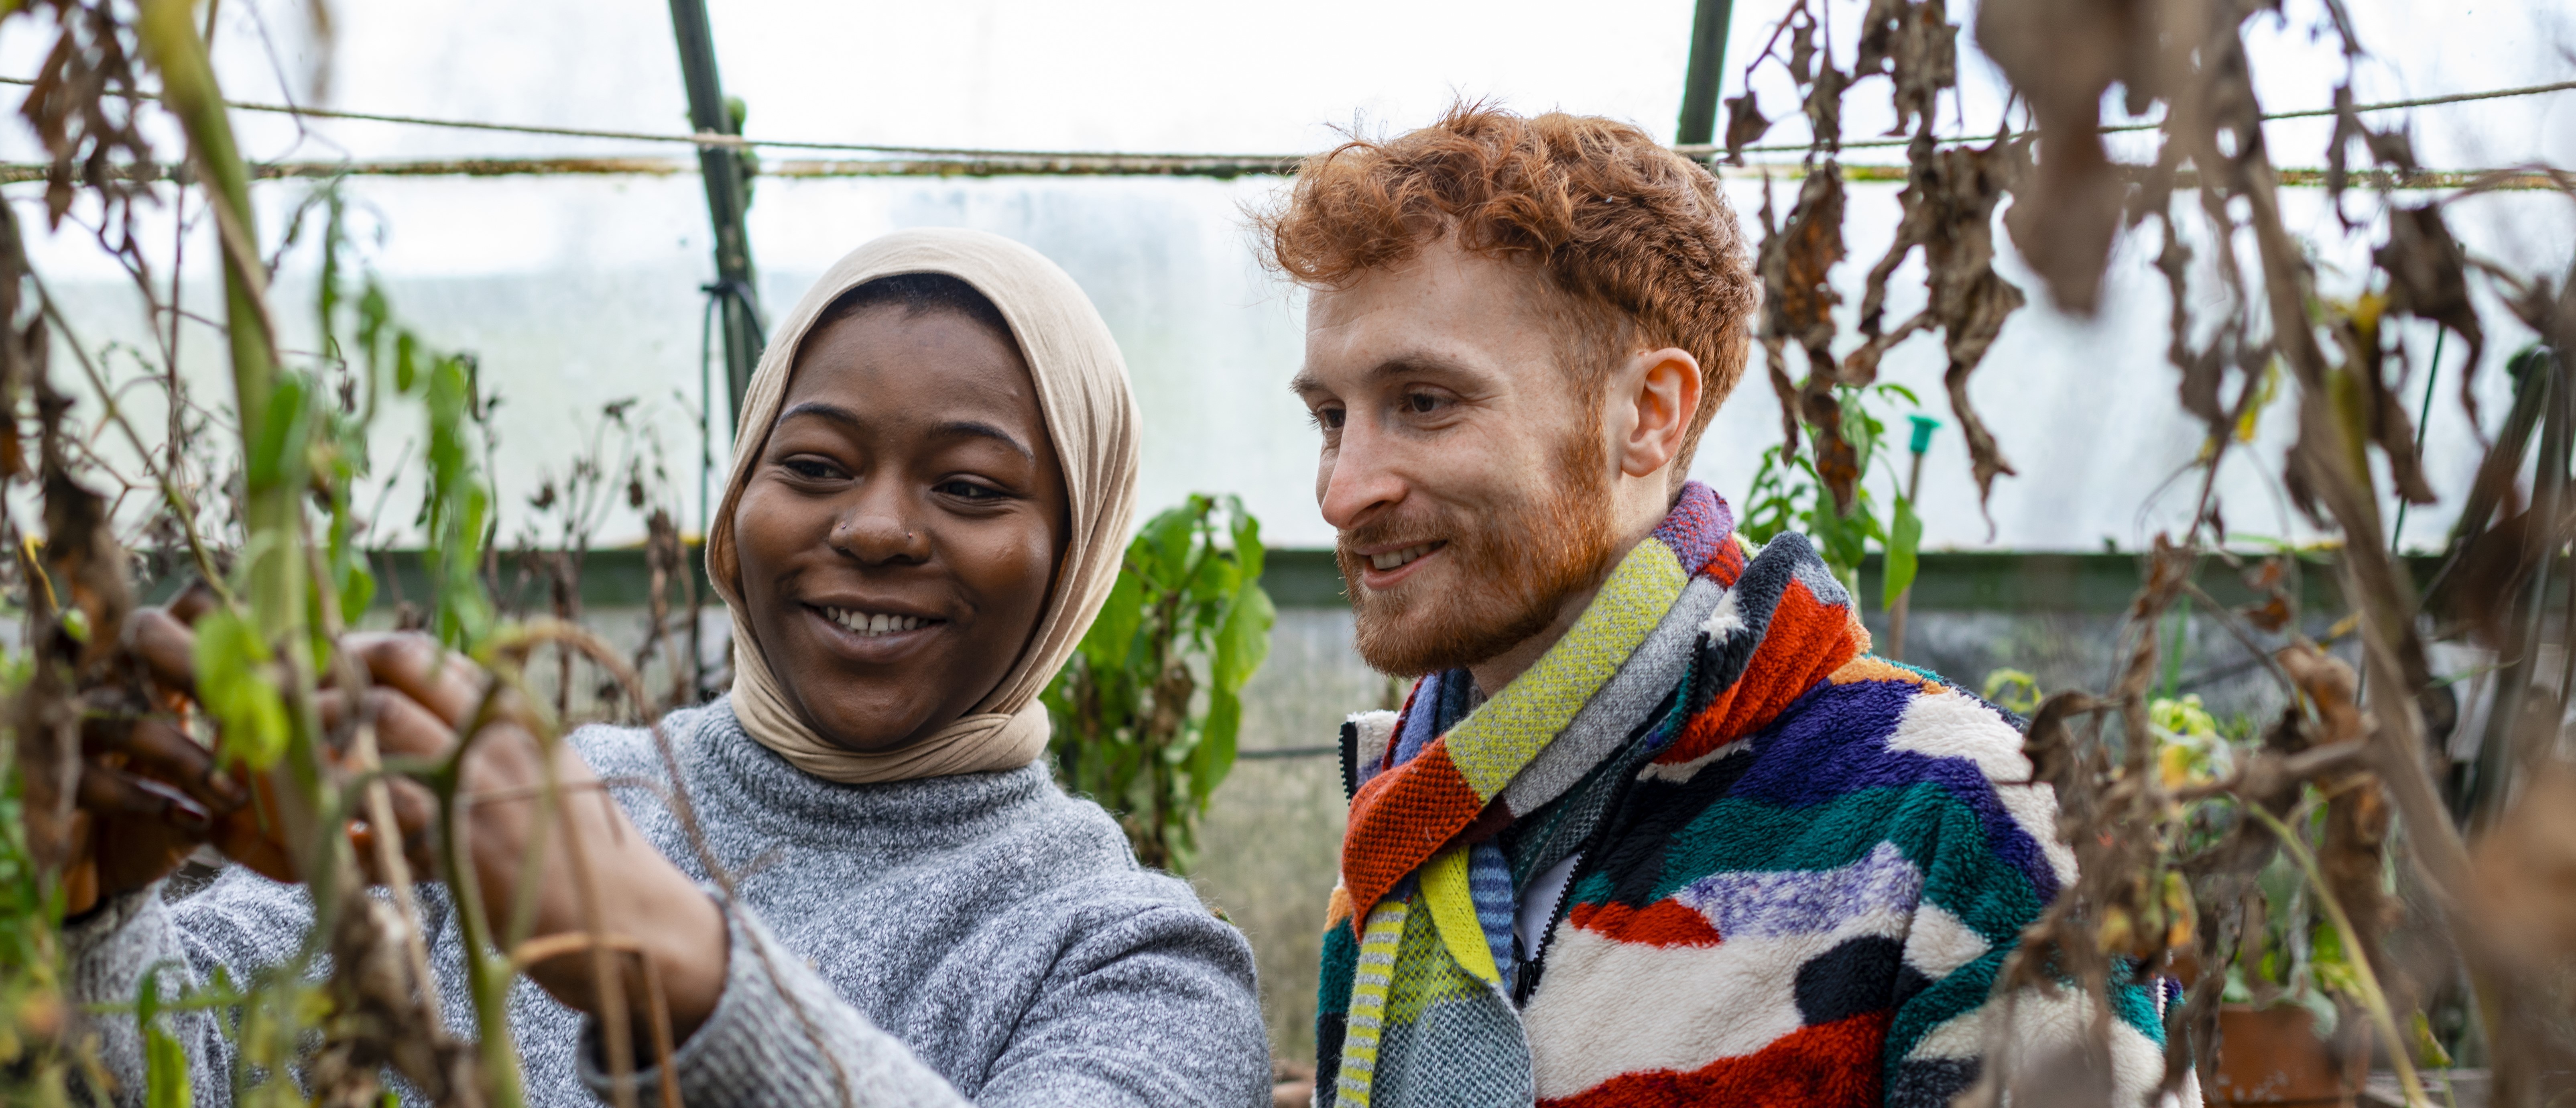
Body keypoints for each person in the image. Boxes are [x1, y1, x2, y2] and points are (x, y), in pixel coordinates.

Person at [61, 228, 1272, 1106]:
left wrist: (667, 958)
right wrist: (89, 911)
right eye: (813, 465)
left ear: (1077, 554)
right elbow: (185, 1063)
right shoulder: (521, 806)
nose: (874, 530)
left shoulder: (1129, 961)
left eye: (968, 487)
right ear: (738, 500)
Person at [1257, 105, 2173, 1107]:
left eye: (1424, 403)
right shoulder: (1408, 827)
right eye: (1331, 418)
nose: (1345, 491)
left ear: (1648, 417)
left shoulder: (1958, 819)